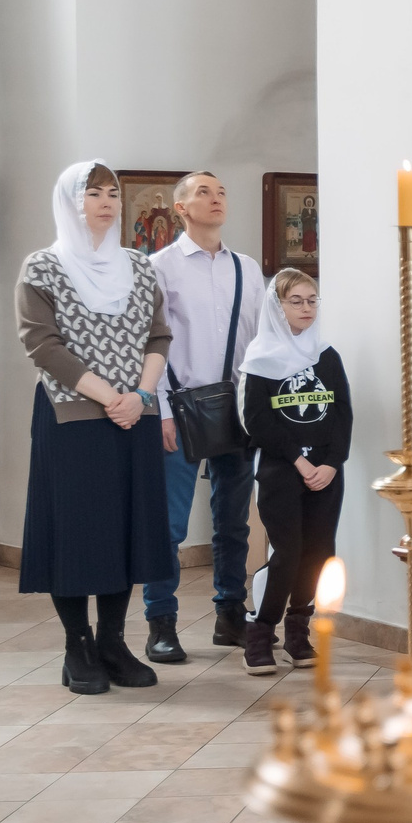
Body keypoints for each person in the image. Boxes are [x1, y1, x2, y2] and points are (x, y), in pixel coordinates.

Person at [18, 161, 174, 696]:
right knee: (78, 532)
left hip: (136, 415)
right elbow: (42, 345)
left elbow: (158, 337)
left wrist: (142, 397)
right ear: (70, 201)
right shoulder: (42, 267)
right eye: (93, 193)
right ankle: (77, 645)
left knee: (125, 531)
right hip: (74, 416)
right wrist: (111, 397)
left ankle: (113, 641)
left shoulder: (139, 265)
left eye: (113, 193)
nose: (107, 202)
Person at [146, 172, 264, 662]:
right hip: (180, 408)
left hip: (237, 410)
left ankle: (230, 615)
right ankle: (161, 622)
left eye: (221, 191)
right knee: (168, 525)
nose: (215, 199)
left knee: (233, 522)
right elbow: (147, 343)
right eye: (203, 192)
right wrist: (162, 412)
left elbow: (261, 340)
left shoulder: (247, 268)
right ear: (179, 208)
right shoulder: (158, 268)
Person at [238, 271, 352, 675]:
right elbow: (257, 421)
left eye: (312, 300)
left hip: (325, 472)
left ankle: (298, 631)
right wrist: (299, 461)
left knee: (321, 553)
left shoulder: (327, 355)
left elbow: (341, 414)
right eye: (296, 301)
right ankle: (260, 630)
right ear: (277, 306)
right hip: (281, 470)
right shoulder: (261, 357)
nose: (306, 308)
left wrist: (332, 463)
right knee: (288, 552)